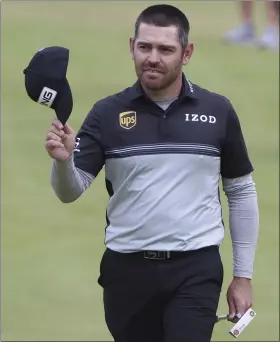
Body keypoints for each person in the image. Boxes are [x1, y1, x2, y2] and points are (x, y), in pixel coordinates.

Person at [45, 4, 259, 342]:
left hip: (196, 269)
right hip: (127, 271)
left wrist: (242, 276)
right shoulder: (106, 113)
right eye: (145, 47)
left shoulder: (217, 111)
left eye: (165, 49)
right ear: (132, 47)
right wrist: (62, 161)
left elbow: (241, 191)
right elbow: (70, 191)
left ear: (186, 53)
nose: (153, 58)